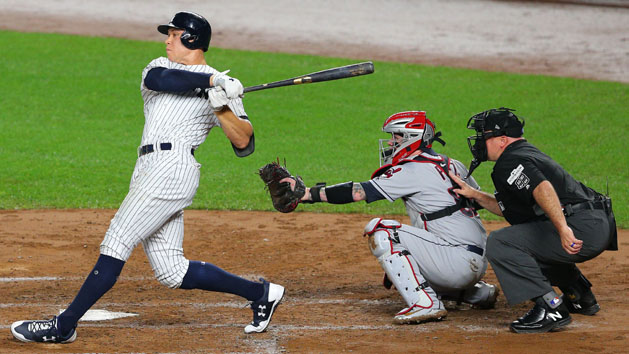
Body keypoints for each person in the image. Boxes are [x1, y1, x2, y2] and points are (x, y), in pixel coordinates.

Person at [11, 11, 284, 344]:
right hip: (147, 168)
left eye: (173, 34)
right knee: (172, 270)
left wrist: (221, 106)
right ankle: (260, 293)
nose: (166, 40)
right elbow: (163, 81)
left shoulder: (224, 88)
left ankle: (63, 325)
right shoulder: (161, 68)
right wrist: (212, 84)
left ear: (191, 39)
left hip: (173, 168)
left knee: (117, 241)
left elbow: (244, 142)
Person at [285, 111, 499, 324]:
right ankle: (475, 293)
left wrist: (307, 194)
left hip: (455, 264)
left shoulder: (411, 170)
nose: (390, 142)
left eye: (395, 137)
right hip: (474, 260)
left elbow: (358, 192)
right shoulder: (453, 164)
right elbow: (477, 201)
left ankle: (426, 304)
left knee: (383, 232)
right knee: (411, 251)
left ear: (411, 138)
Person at [450, 107, 617, 333]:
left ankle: (550, 308)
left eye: (484, 136)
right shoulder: (523, 152)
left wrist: (563, 229)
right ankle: (579, 295)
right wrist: (475, 195)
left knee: (502, 243)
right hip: (596, 223)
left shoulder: (509, 161)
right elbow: (505, 207)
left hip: (580, 228)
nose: (479, 142)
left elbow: (543, 188)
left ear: (501, 140)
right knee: (530, 235)